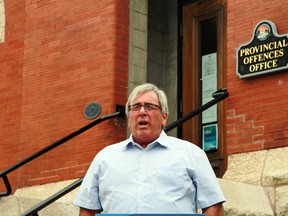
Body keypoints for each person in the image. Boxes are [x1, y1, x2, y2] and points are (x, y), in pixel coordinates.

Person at [74, 83, 225, 216]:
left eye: (150, 106)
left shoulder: (191, 153)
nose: (142, 112)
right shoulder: (105, 157)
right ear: (128, 117)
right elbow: (87, 209)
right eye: (135, 107)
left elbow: (214, 205)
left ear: (164, 117)